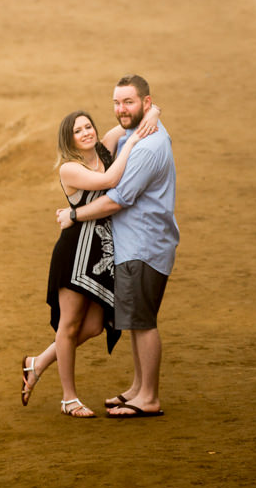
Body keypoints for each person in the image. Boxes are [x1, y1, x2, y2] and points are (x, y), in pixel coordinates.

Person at [21, 105, 158, 418]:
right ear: (68, 140)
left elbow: (130, 122)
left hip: (102, 254)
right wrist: (134, 144)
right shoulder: (69, 168)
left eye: (88, 126)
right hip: (74, 255)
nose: (86, 133)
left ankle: (37, 362)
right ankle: (69, 398)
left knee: (95, 326)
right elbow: (111, 179)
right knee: (68, 326)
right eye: (77, 131)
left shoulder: (104, 148)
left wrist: (153, 113)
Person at [56, 73, 178, 418]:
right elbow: (117, 141)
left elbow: (117, 197)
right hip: (131, 245)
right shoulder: (133, 134)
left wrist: (74, 215)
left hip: (143, 244)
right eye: (116, 102)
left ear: (146, 102)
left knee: (143, 322)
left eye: (129, 102)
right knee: (136, 320)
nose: (121, 109)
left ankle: (149, 397)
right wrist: (151, 117)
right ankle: (138, 389)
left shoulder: (147, 144)